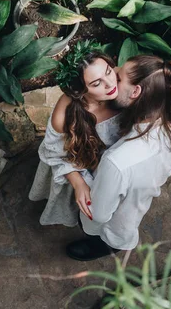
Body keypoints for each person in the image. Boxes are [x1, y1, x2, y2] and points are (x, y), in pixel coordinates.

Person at [65, 55, 171, 261]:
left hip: (116, 220)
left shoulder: (116, 161)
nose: (111, 82)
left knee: (108, 234)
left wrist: (79, 179)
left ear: (136, 92)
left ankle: (104, 247)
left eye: (118, 78)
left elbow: (99, 214)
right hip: (142, 192)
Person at [28, 40, 120, 227]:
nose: (110, 83)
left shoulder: (122, 84)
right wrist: (78, 184)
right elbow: (56, 156)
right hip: (83, 164)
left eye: (108, 71)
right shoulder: (64, 118)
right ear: (80, 92)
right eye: (96, 83)